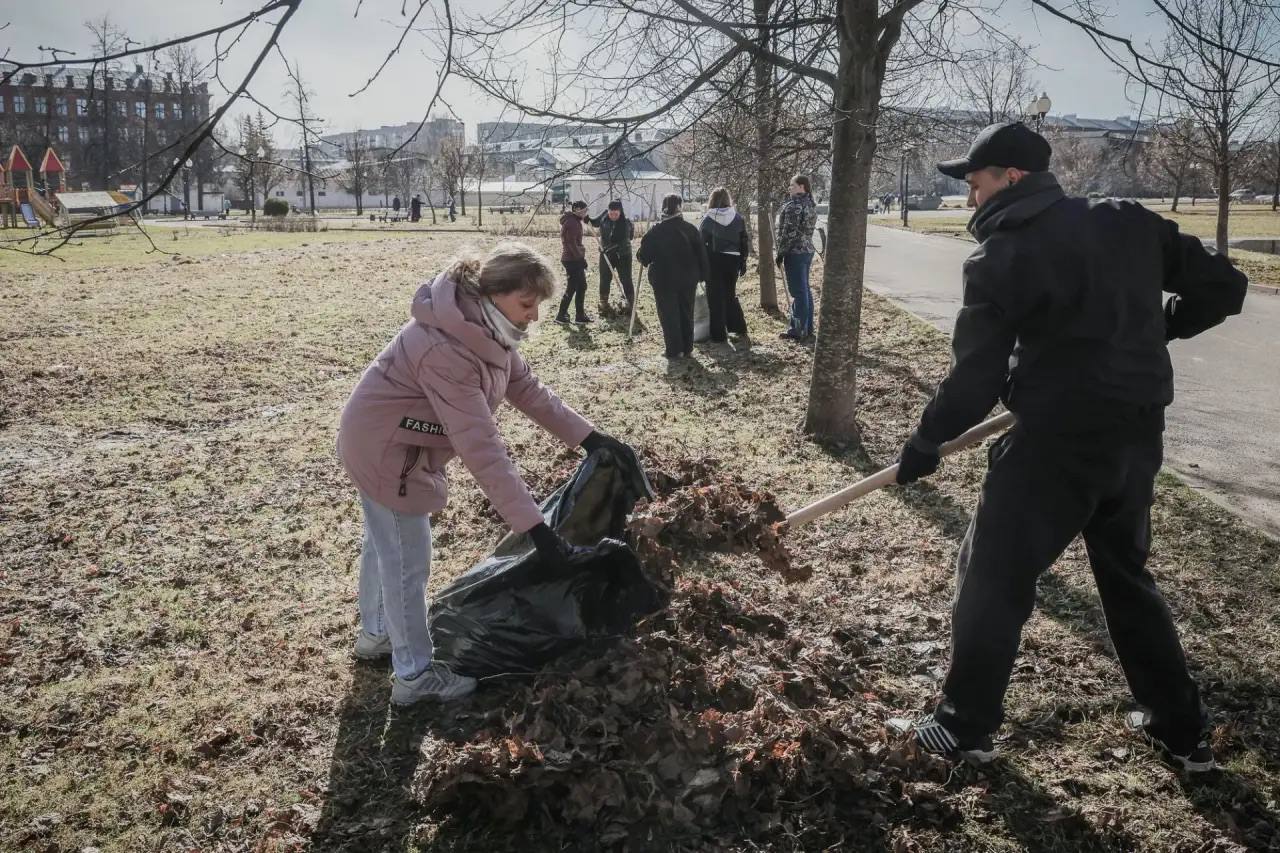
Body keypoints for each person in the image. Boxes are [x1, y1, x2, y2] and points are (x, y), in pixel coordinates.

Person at [892, 121, 1247, 771]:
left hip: (1054, 445)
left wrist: (925, 440)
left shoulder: (1000, 258)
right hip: (1138, 437)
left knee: (992, 576)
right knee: (1126, 578)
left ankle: (962, 724)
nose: (971, 199)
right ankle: (1182, 728)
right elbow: (1225, 286)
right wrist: (1157, 331)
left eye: (976, 185)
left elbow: (975, 380)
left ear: (1012, 178)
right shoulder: (1127, 221)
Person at [337, 243, 631, 705]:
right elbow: (482, 448)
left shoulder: (486, 329)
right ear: (494, 293)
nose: (533, 316)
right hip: (389, 453)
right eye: (527, 304)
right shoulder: (447, 349)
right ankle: (413, 677)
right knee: (405, 562)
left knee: (383, 544)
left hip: (390, 441)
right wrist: (536, 530)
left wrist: (591, 439)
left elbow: (527, 389)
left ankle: (376, 634)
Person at [637, 194, 709, 361]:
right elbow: (701, 254)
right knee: (686, 311)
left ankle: (674, 350)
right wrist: (704, 275)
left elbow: (644, 257)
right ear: (680, 207)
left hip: (664, 280)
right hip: (688, 279)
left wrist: (641, 252)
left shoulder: (656, 232)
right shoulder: (691, 229)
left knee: (669, 314)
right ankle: (687, 347)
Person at [699, 187, 751, 345]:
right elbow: (744, 242)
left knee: (715, 299)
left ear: (712, 200)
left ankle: (719, 334)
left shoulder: (707, 219)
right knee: (730, 295)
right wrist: (743, 262)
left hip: (713, 262)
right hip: (732, 261)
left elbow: (700, 244)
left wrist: (701, 266)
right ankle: (738, 327)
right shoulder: (738, 218)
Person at [775, 175, 817, 342]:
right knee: (804, 290)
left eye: (792, 185)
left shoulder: (795, 206)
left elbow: (788, 234)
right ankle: (807, 327)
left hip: (796, 253)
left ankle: (797, 330)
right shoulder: (810, 204)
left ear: (802, 187)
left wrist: (780, 253)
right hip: (807, 250)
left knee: (798, 292)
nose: (789, 188)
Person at [588, 200, 636, 312]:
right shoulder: (604, 217)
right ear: (608, 211)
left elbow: (625, 241)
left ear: (620, 212)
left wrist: (608, 248)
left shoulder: (626, 223)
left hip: (623, 255)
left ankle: (630, 303)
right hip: (606, 255)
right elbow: (594, 222)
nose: (613, 216)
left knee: (626, 278)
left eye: (616, 214)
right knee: (605, 278)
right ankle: (603, 303)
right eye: (611, 213)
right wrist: (585, 217)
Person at [555, 201, 593, 325]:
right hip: (572, 260)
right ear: (577, 209)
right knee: (573, 287)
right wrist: (580, 259)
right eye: (584, 210)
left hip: (572, 258)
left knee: (581, 286)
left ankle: (578, 315)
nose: (585, 213)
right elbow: (570, 243)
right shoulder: (572, 223)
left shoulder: (574, 220)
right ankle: (563, 315)